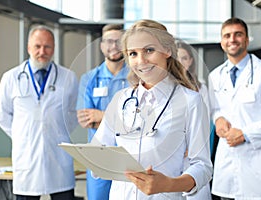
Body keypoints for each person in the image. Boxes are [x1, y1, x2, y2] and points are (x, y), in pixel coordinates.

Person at [92, 19, 213, 200]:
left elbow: (202, 166)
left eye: (149, 50)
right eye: (133, 53)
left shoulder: (191, 101)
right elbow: (98, 149)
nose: (141, 61)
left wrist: (169, 184)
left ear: (167, 50)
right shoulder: (121, 100)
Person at [208, 17, 261, 200]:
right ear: (222, 42)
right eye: (227, 35)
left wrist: (245, 133)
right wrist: (218, 119)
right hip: (227, 167)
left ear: (246, 39)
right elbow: (215, 109)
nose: (232, 39)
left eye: (238, 34)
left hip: (258, 167)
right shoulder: (215, 76)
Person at [0, 25, 78, 200]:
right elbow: (1, 114)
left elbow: (73, 114)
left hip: (58, 158)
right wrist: (22, 134)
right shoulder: (11, 77)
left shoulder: (68, 77)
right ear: (28, 48)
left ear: (53, 48)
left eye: (47, 46)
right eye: (37, 46)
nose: (42, 51)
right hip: (26, 156)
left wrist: (56, 132)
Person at [76, 24, 129, 200]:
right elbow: (86, 120)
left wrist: (101, 116)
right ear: (101, 45)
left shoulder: (136, 76)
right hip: (98, 156)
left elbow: (138, 120)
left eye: (119, 41)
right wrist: (122, 119)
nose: (114, 46)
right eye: (109, 41)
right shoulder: (89, 78)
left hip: (129, 155)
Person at [176, 41, 213, 200]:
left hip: (192, 152)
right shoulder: (165, 87)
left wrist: (191, 147)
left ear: (191, 60)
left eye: (184, 58)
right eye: (177, 59)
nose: (180, 62)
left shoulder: (201, 88)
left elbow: (206, 123)